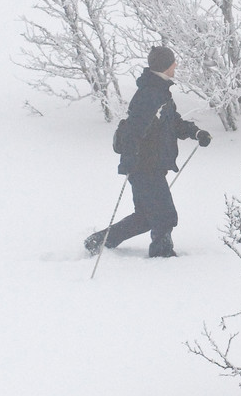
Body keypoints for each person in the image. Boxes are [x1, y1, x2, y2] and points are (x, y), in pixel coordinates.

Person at [84, 46, 211, 258]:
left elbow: (172, 123)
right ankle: (162, 258)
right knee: (165, 216)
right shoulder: (150, 95)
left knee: (144, 217)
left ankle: (97, 242)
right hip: (145, 167)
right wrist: (131, 162)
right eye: (173, 63)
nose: (176, 66)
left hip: (149, 166)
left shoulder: (159, 92)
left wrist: (196, 132)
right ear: (165, 66)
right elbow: (133, 131)